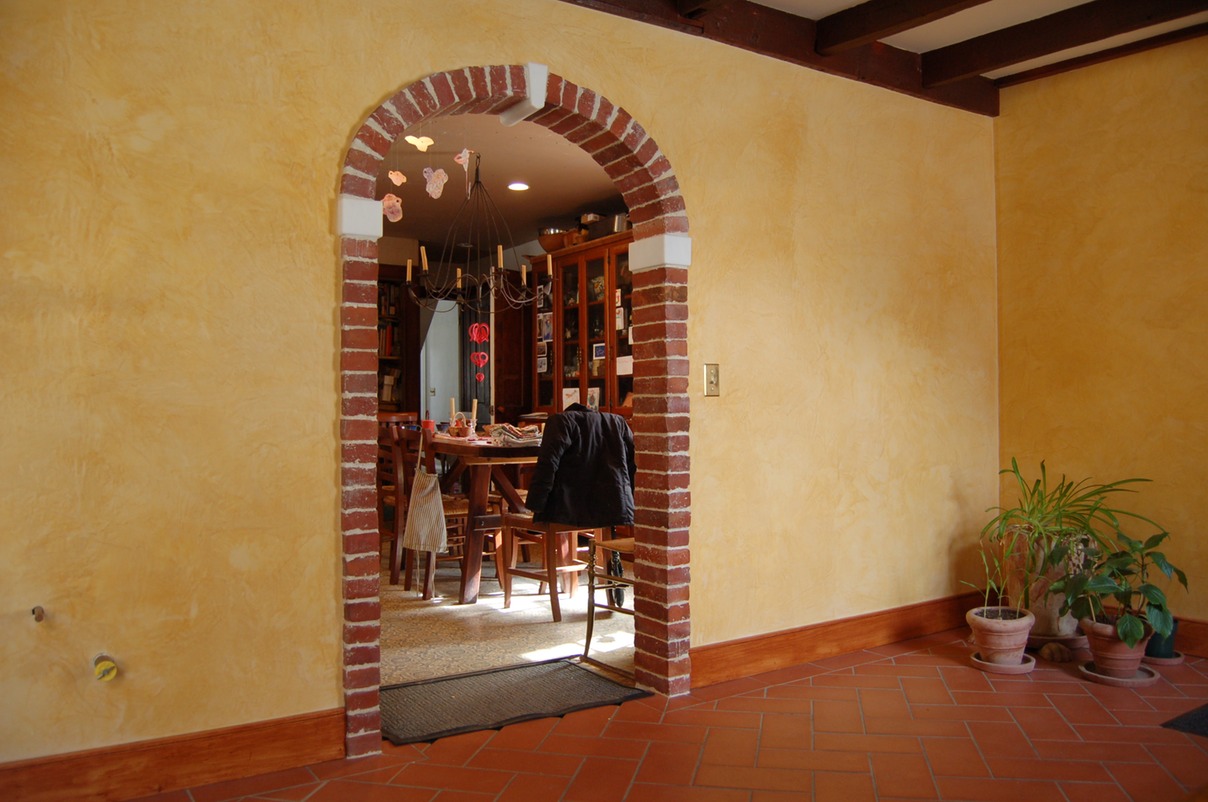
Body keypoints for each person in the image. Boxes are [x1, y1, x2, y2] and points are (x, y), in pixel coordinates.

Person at [525, 403, 635, 528]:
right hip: (614, 506)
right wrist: (632, 502)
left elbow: (547, 464)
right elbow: (634, 462)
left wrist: (536, 504)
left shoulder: (560, 421)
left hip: (567, 508)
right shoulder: (617, 422)